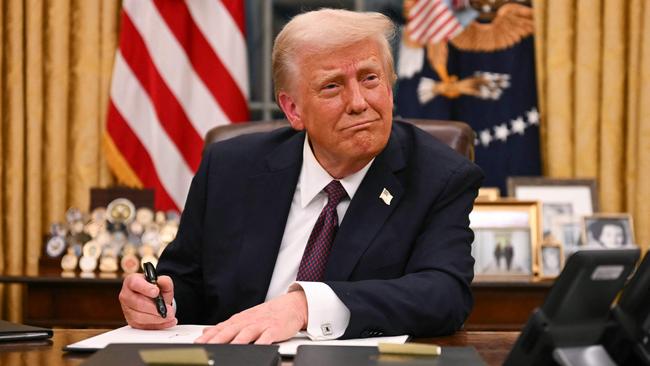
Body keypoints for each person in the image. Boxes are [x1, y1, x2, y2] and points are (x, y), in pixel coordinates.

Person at [118, 8, 483, 344]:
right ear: (293, 109)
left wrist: (305, 306)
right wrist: (159, 302)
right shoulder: (230, 168)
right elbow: (184, 281)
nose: (359, 102)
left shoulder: (439, 177)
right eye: (332, 86)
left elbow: (445, 294)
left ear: (389, 88)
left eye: (370, 79)